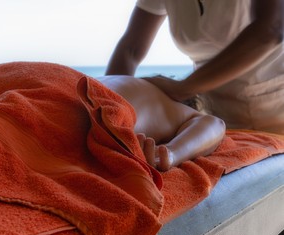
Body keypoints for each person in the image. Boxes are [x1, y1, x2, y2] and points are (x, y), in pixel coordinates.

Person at [106, 0, 284, 135]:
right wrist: (105, 103)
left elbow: (270, 30)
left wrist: (183, 88)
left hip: (276, 105)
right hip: (218, 112)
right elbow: (130, 49)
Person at [97, 75, 225, 171]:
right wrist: (171, 153)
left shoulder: (117, 78)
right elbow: (215, 123)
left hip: (79, 81)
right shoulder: (172, 104)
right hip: (100, 118)